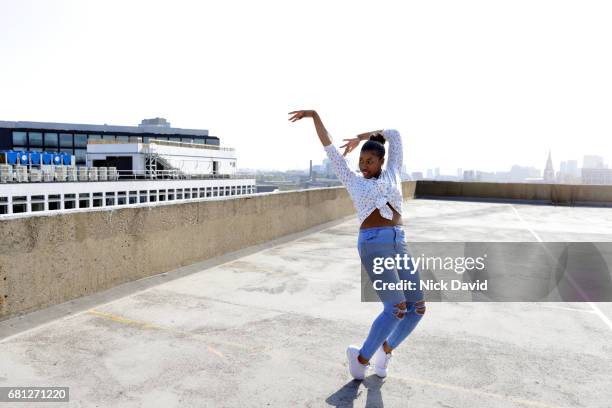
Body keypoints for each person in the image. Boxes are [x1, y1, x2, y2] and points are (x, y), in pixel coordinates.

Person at [288, 109, 426, 380]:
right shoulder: (352, 180)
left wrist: (361, 137)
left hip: (400, 240)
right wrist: (316, 116)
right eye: (361, 160)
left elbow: (394, 135)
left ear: (381, 160)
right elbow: (329, 147)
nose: (364, 165)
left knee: (417, 307)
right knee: (395, 307)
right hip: (373, 243)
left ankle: (384, 351)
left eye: (370, 160)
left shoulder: (394, 171)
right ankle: (360, 358)